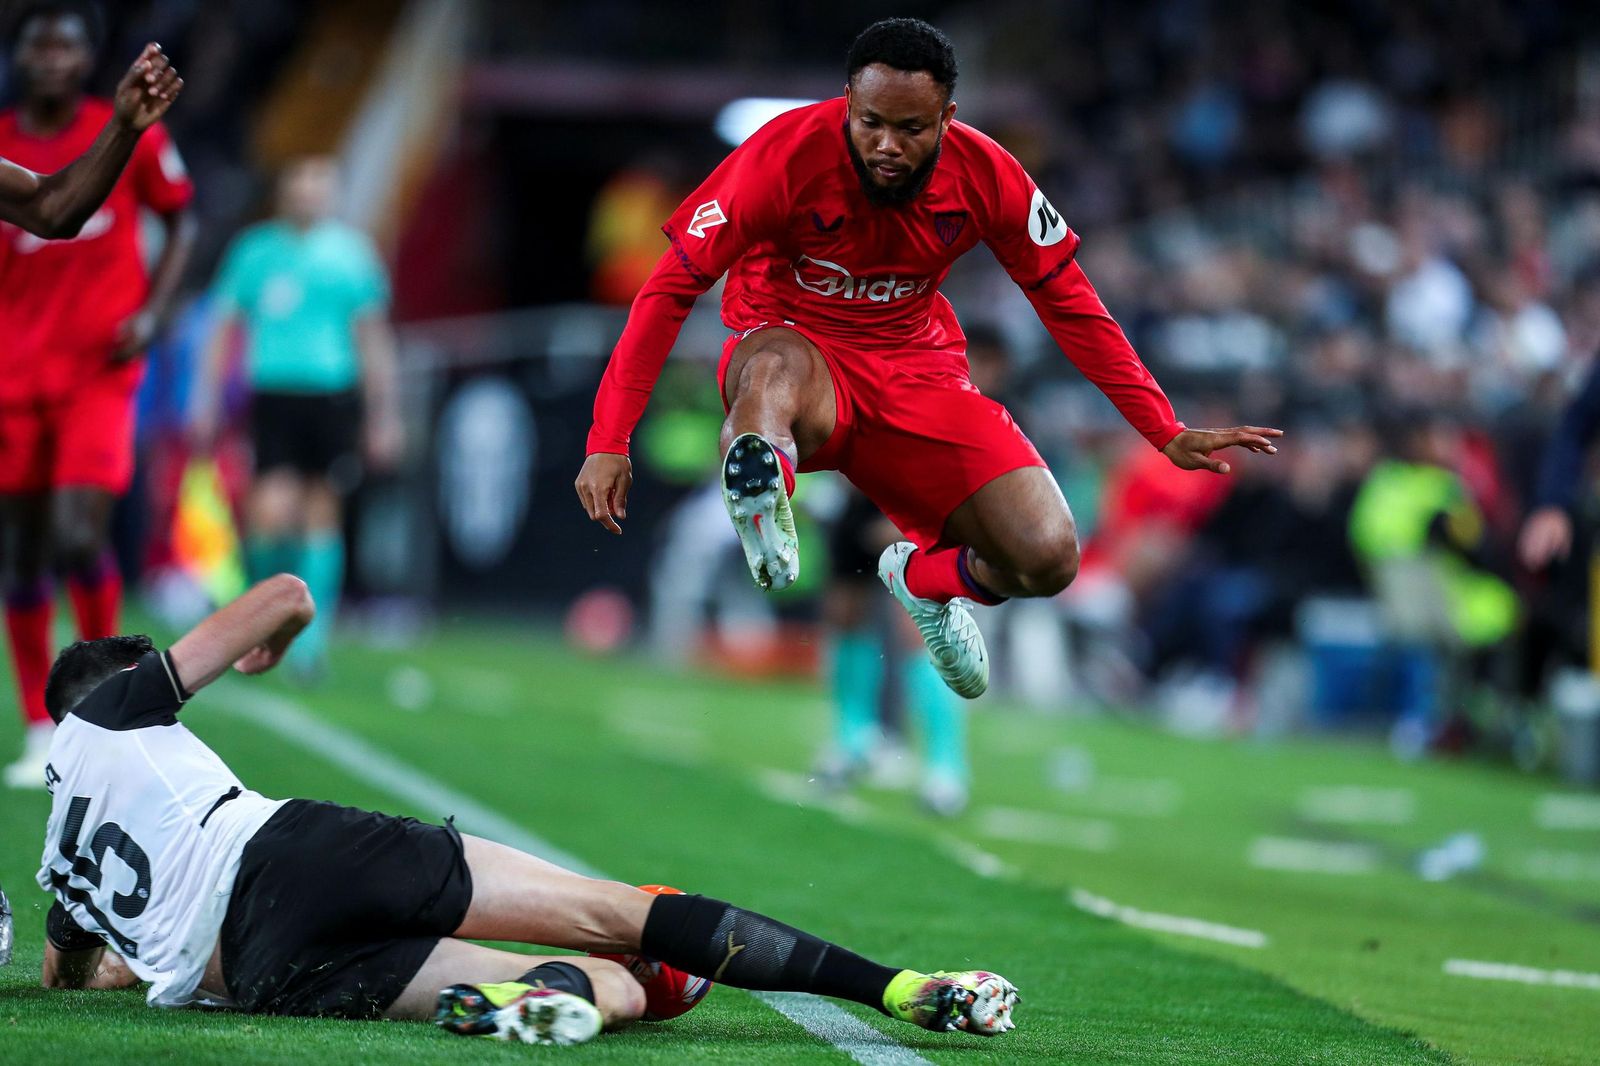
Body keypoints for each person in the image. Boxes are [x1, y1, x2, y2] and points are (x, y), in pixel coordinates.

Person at [574, 18, 1280, 700]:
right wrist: (609, 439)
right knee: (774, 373)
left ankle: (922, 581)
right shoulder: (781, 156)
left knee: (1047, 557)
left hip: (917, 369)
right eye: (871, 122)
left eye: (911, 129)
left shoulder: (989, 174)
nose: (887, 144)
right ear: (848, 103)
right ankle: (765, 482)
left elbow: (1070, 302)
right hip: (795, 349)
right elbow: (669, 286)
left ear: (947, 117)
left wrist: (1161, 427)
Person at [32, 575, 1020, 1045]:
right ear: (118, 685)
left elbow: (70, 971)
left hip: (255, 969)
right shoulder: (117, 703)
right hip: (291, 854)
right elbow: (284, 593)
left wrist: (139, 961)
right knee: (618, 915)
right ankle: (899, 986)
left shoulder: (57, 852)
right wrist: (271, 645)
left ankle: (543, 1002)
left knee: (616, 986)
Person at [0, 4, 195, 789]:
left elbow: (56, 209)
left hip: (96, 369)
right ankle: (38, 728)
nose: (50, 60)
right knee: (21, 548)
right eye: (36, 45)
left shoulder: (122, 135)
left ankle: (106, 705)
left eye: (65, 46)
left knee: (80, 534)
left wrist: (153, 312)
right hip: (13, 372)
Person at [190, 155, 402, 681]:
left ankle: (309, 642)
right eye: (300, 182)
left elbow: (373, 337)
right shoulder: (255, 250)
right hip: (275, 395)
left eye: (320, 184)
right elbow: (223, 329)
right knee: (269, 512)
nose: (309, 193)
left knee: (320, 512)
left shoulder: (352, 255)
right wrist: (206, 396)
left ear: (333, 194)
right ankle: (260, 621)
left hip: (332, 396)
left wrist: (384, 414)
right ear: (285, 191)